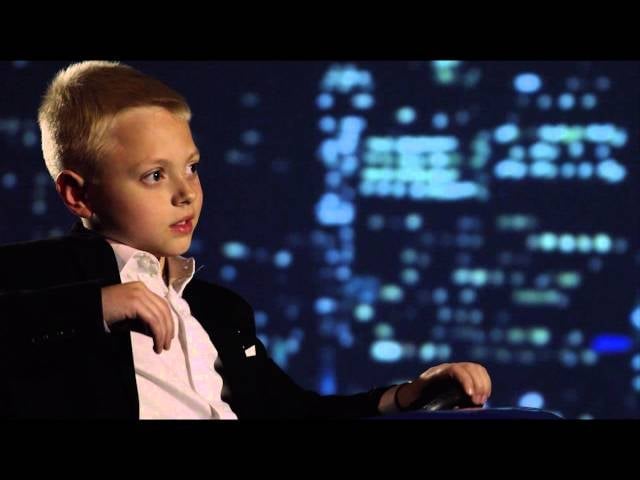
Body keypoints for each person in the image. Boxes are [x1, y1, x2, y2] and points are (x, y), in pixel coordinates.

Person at [0, 61, 491, 419]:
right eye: (154, 175)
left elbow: (291, 411)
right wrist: (97, 306)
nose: (185, 193)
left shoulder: (220, 310)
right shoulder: (34, 277)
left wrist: (406, 396)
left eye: (192, 167)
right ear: (78, 195)